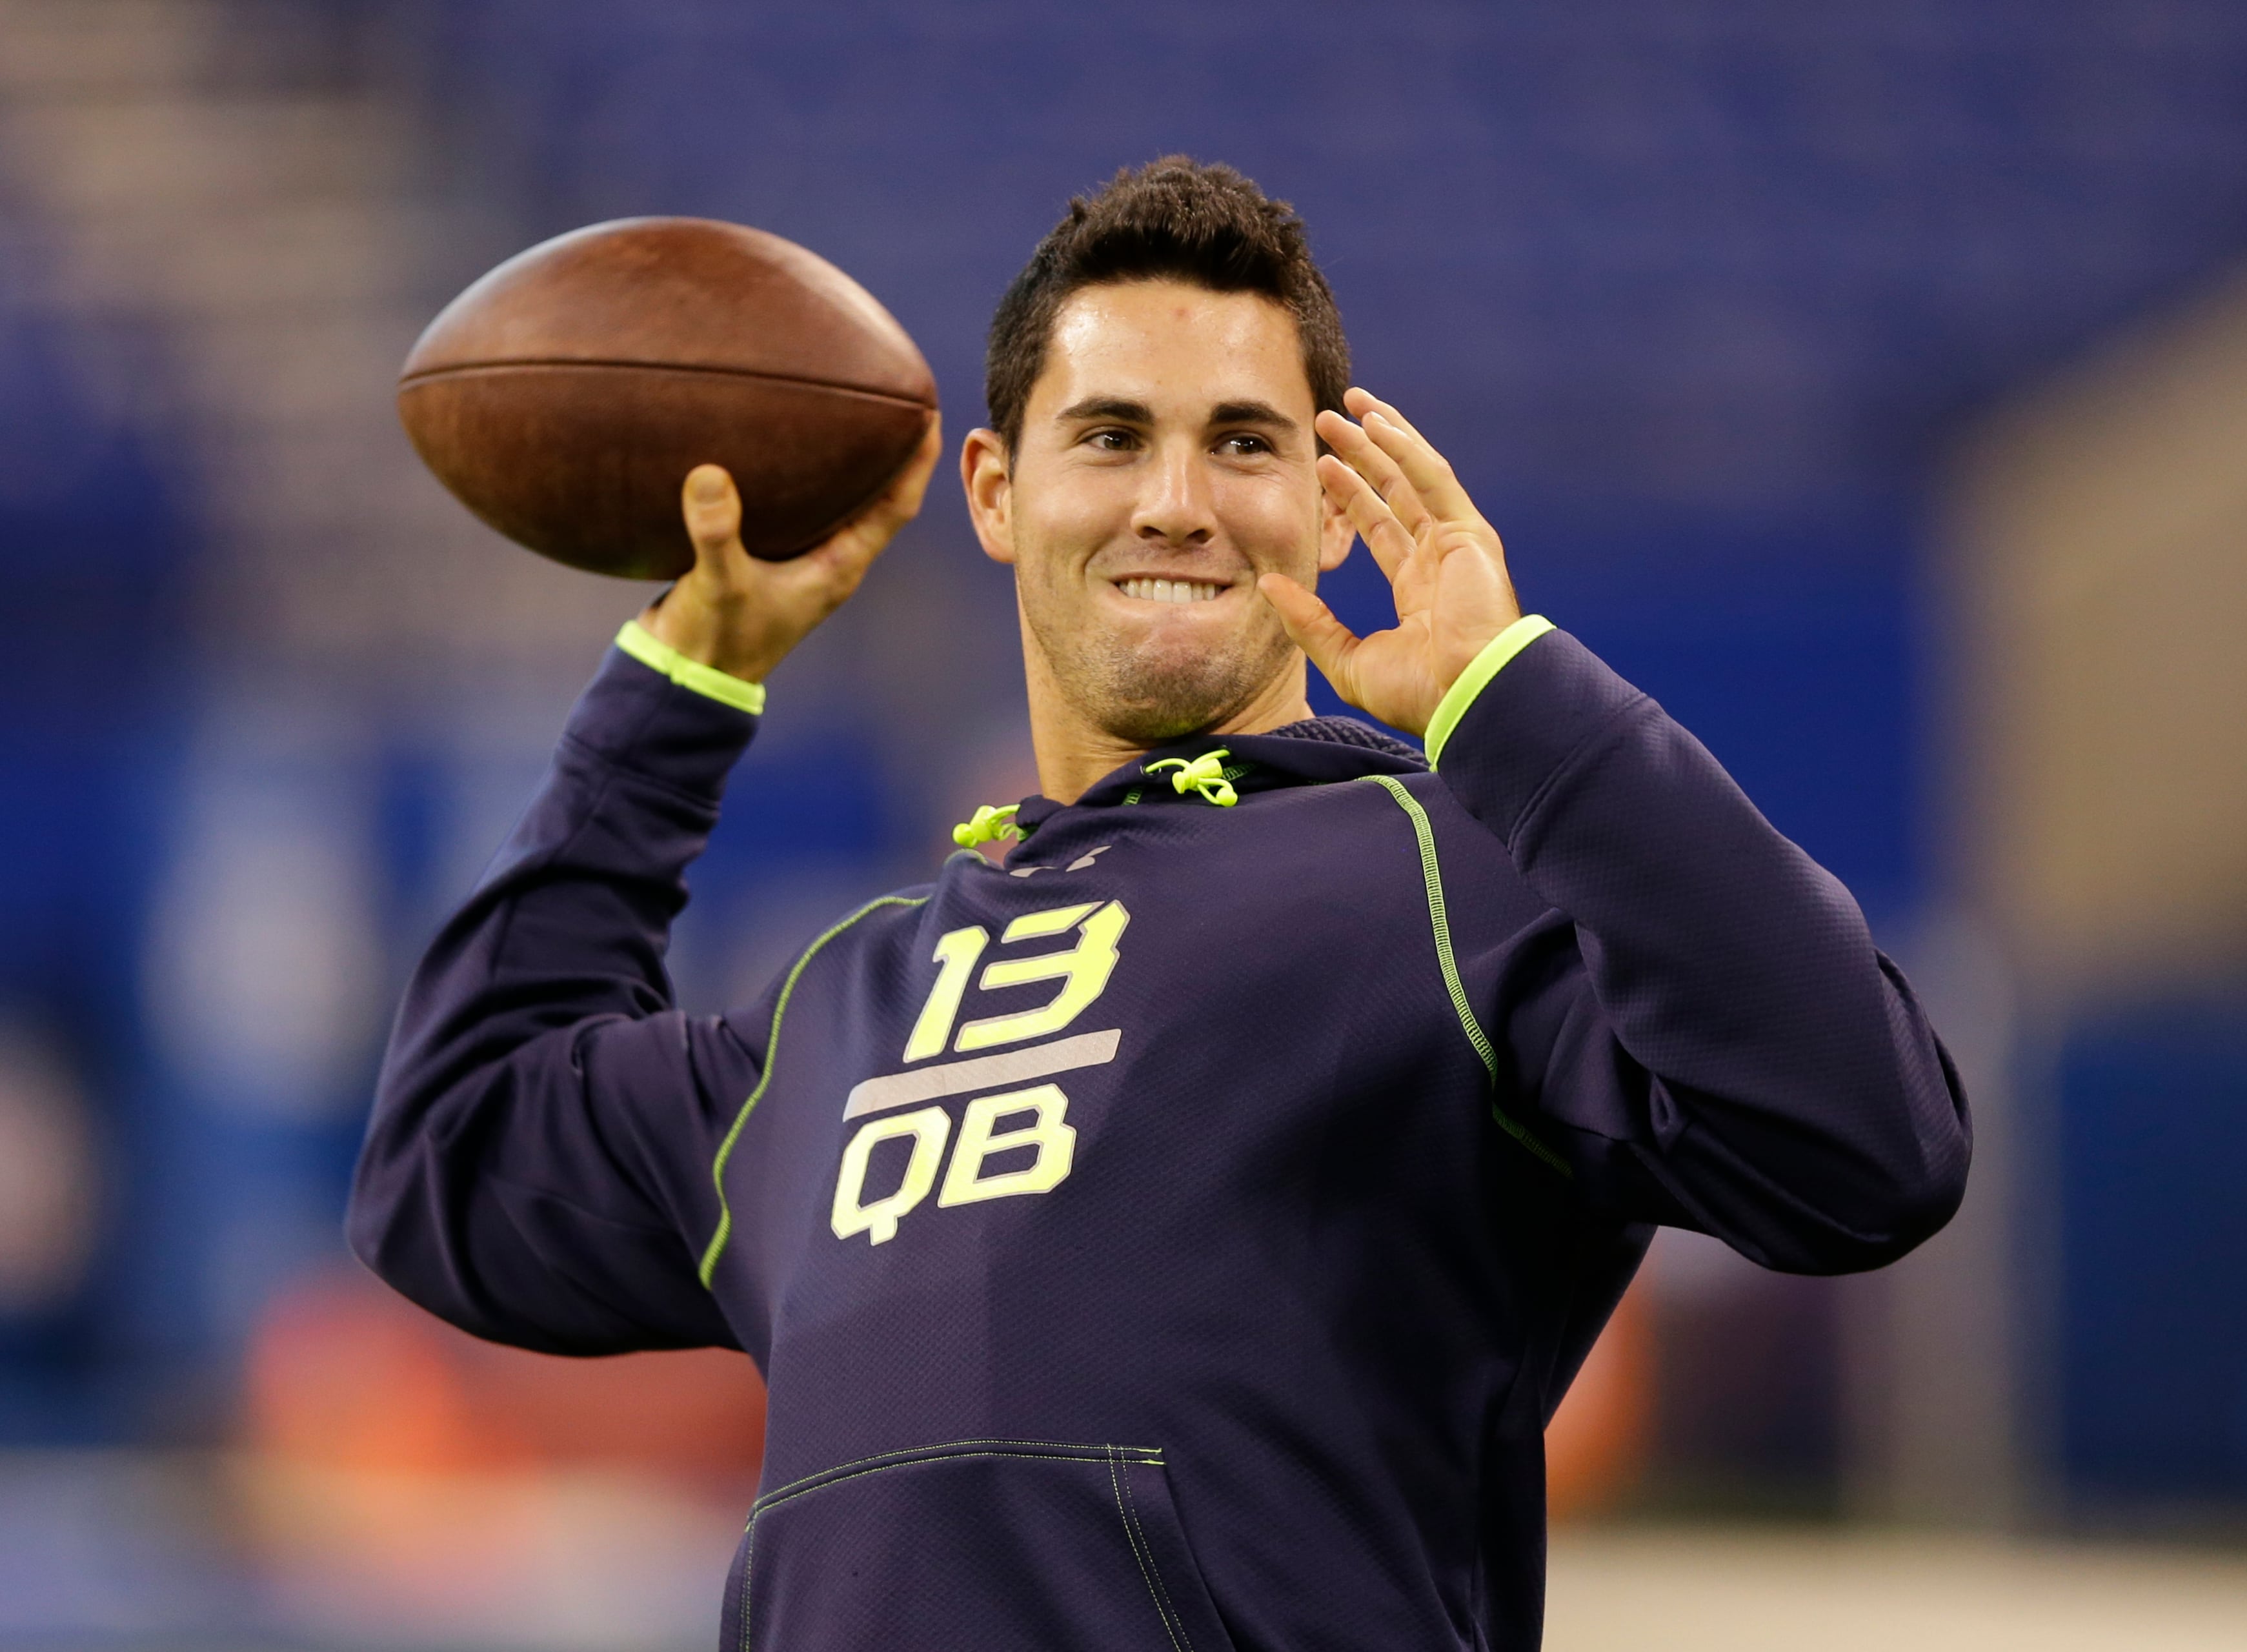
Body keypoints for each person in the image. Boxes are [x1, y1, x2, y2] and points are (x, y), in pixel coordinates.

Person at [350, 157, 1969, 1652]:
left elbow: (1868, 1141)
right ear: (995, 491)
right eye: (1112, 435)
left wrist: (1508, 699)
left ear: (1334, 508)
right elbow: (454, 1168)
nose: (1176, 500)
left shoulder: (1454, 874)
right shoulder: (839, 1001)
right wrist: (685, 682)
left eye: (1245, 443)